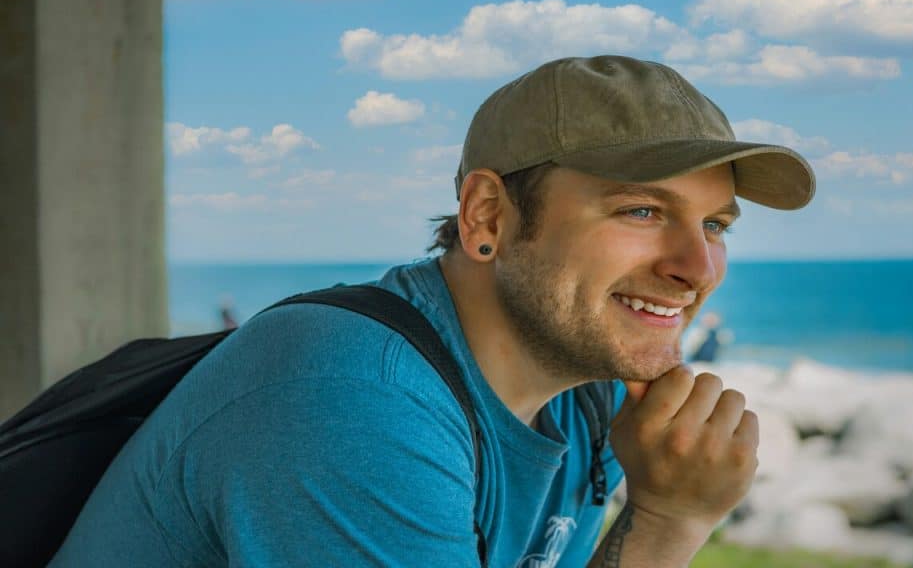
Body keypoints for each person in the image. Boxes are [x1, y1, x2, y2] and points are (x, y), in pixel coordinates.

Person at [49, 55, 814, 567]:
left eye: (716, 226)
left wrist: (667, 502)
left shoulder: (591, 395)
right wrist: (670, 523)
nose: (696, 268)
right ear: (487, 216)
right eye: (643, 211)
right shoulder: (350, 398)